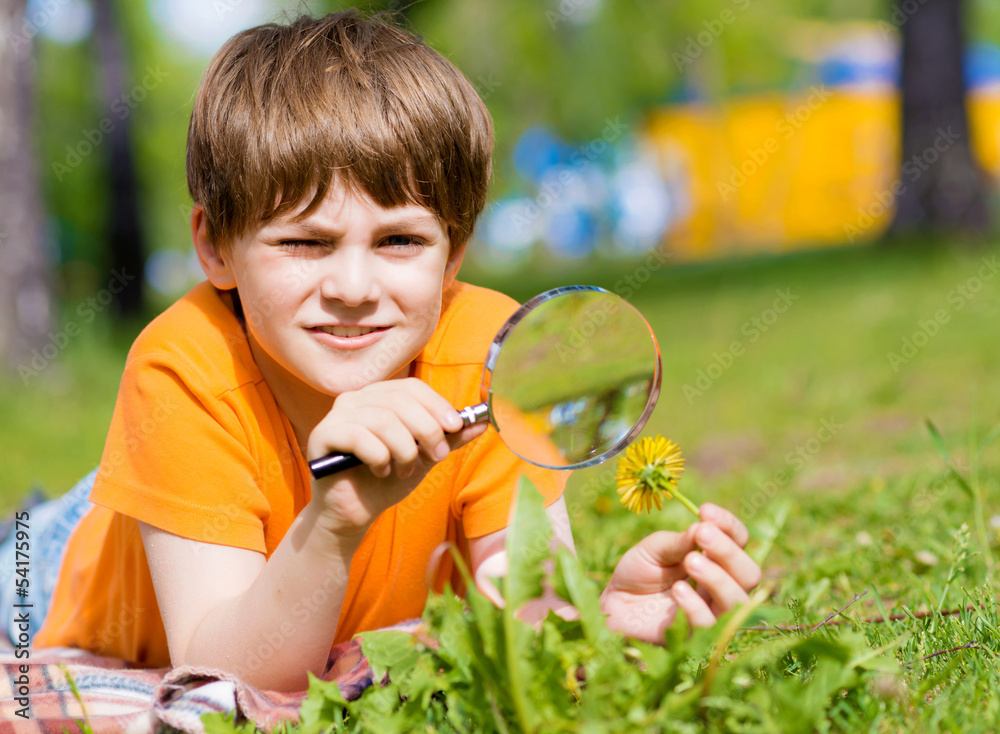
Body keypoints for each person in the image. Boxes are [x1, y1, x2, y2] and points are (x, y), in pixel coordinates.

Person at [10, 10, 760, 692]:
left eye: (400, 240)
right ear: (216, 248)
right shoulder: (181, 368)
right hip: (53, 567)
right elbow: (225, 679)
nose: (355, 286)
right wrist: (334, 522)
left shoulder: (493, 361)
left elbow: (527, 615)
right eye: (305, 242)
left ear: (453, 252)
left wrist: (602, 621)